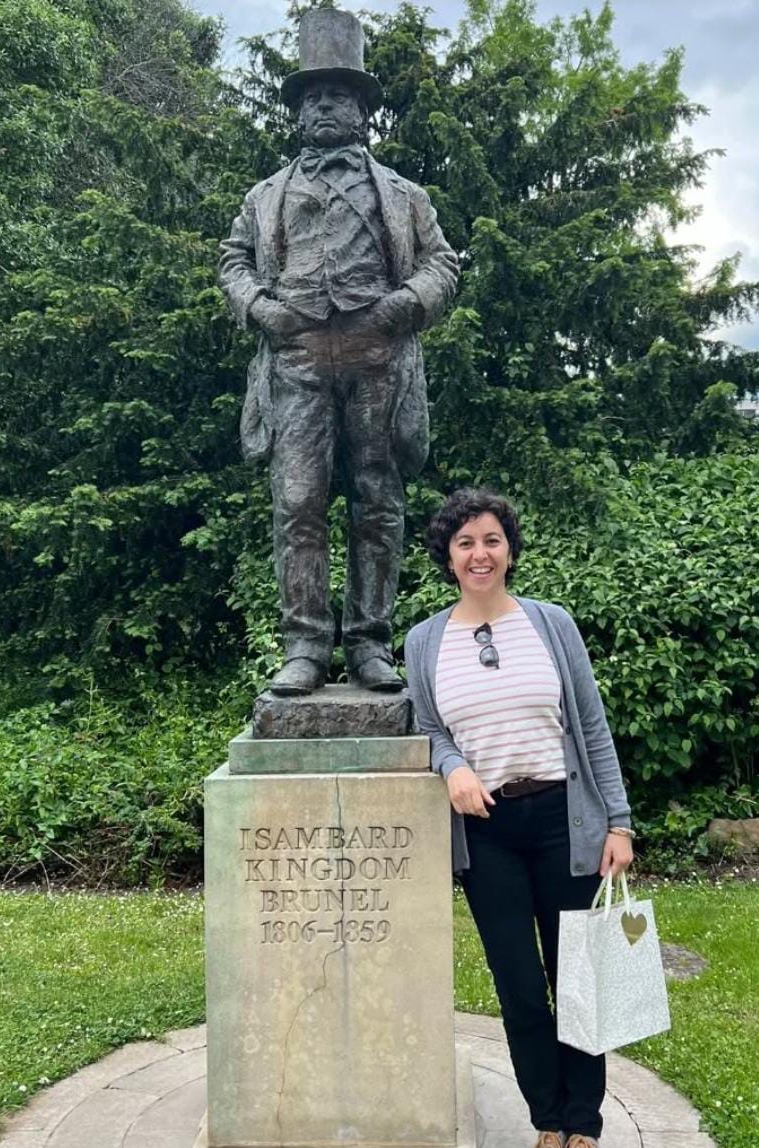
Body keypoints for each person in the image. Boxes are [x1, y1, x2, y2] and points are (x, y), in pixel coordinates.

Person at [218, 9, 459, 697]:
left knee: (378, 502)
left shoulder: (406, 197)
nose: (325, 107)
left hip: (377, 359)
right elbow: (232, 260)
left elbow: (443, 264)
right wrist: (262, 308)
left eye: (339, 96)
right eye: (313, 98)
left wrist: (402, 306)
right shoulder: (265, 196)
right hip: (294, 361)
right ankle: (303, 646)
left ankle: (370, 644)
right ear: (298, 114)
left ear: (361, 112)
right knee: (297, 501)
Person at [404, 488, 635, 1148]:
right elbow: (429, 729)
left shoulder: (551, 624)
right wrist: (453, 767)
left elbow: (590, 726)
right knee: (520, 990)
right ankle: (546, 1123)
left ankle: (585, 1130)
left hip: (566, 822)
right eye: (466, 541)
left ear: (510, 548)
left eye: (492, 539)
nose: (480, 553)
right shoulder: (423, 640)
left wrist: (619, 822)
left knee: (582, 982)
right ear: (448, 556)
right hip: (488, 835)